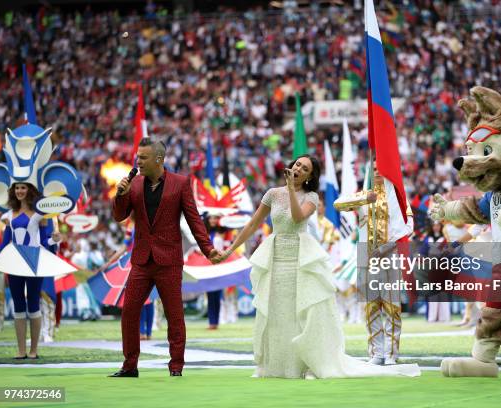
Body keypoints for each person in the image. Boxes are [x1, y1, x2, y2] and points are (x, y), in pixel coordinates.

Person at [214, 155, 420, 379]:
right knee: (277, 311)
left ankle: (308, 363)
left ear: (310, 176)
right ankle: (278, 365)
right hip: (275, 256)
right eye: (297, 165)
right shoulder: (272, 194)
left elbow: (296, 217)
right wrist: (229, 250)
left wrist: (292, 191)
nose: (298, 169)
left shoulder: (311, 197)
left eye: (305, 168)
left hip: (302, 258)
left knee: (303, 311)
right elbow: (253, 224)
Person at [109, 138, 222, 378]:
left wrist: (208, 249)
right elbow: (119, 216)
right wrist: (121, 195)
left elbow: (194, 220)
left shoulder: (180, 183)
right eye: (137, 157)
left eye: (143, 157)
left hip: (169, 260)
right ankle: (130, 366)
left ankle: (176, 366)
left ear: (159, 159)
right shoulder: (134, 184)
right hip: (141, 259)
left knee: (174, 314)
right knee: (129, 311)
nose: (137, 161)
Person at [336, 165, 415, 365]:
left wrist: (388, 247)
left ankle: (391, 353)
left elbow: (409, 227)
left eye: (382, 168)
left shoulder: (399, 199)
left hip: (390, 254)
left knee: (391, 306)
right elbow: (338, 204)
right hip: (366, 255)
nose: (378, 172)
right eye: (374, 169)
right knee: (370, 307)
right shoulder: (364, 195)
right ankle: (376, 353)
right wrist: (364, 199)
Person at [0, 183, 61, 359]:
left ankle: (33, 350)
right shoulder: (8, 215)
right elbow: (4, 243)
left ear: (30, 190)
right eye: (17, 188)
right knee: (18, 305)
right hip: (14, 264)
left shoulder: (41, 215)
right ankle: (21, 350)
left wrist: (55, 240)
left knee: (33, 304)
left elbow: (45, 241)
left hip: (34, 262)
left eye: (23, 188)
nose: (19, 191)